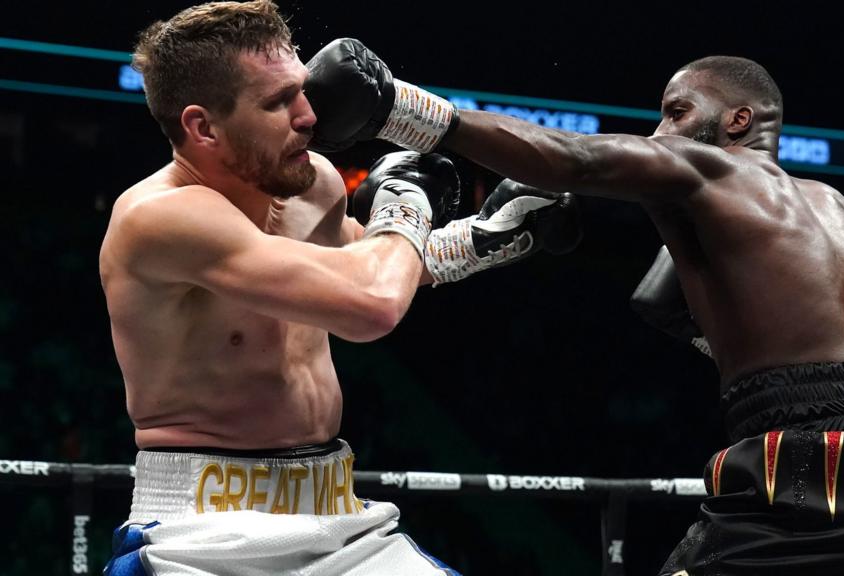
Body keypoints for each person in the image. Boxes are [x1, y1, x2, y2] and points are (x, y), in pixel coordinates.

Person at [303, 40, 844, 575]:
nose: (659, 133)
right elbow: (659, 302)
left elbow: (578, 159)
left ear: (738, 121)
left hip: (815, 463)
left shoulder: (713, 169)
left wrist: (392, 107)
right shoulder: (839, 212)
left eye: (676, 112)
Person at [98, 3, 579, 574]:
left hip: (336, 510)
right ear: (203, 127)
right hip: (202, 531)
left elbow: (369, 262)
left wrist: (485, 238)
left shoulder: (314, 184)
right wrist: (409, 200)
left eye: (301, 90)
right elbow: (370, 303)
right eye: (277, 102)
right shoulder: (159, 217)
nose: (308, 116)